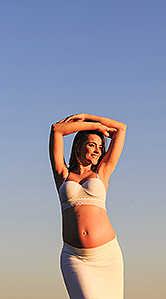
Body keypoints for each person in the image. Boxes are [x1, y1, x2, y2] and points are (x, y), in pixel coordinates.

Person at [49, 113, 127, 299]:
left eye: (100, 147)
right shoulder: (63, 174)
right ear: (78, 146)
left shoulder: (102, 172)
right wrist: (94, 126)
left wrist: (86, 117)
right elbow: (56, 130)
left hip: (108, 255)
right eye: (92, 144)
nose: (97, 151)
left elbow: (121, 129)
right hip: (75, 258)